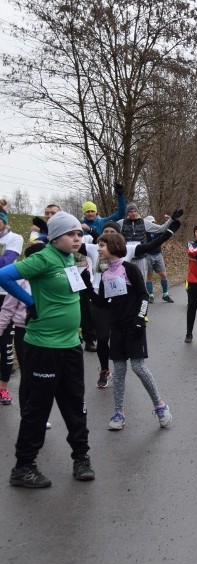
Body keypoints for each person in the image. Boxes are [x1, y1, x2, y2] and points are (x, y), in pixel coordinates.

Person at [0, 212, 94, 488]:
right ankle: (24, 467)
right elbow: (4, 275)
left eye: (79, 234)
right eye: (70, 234)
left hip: (70, 345)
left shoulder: (68, 259)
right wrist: (29, 301)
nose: (76, 238)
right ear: (55, 237)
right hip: (43, 347)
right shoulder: (43, 257)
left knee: (76, 404)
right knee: (37, 409)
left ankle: (81, 457)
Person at [81, 233, 172, 431]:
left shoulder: (129, 269)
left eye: (102, 245)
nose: (98, 249)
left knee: (138, 367)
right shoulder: (105, 274)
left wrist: (140, 319)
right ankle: (119, 413)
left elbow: (144, 295)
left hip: (134, 325)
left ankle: (160, 406)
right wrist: (87, 286)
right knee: (119, 371)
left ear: (113, 246)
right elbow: (103, 303)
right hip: (117, 327)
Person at [81, 219, 180, 387]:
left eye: (113, 233)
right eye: (106, 233)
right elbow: (68, 242)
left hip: (124, 305)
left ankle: (146, 392)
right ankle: (105, 370)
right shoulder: (95, 249)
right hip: (102, 298)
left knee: (133, 359)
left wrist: (169, 232)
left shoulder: (127, 253)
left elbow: (150, 246)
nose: (108, 236)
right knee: (103, 338)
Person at [0, 243, 44, 406]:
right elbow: (7, 310)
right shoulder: (20, 281)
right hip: (23, 332)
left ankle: (39, 411)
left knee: (43, 374)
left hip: (46, 332)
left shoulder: (51, 279)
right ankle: (28, 412)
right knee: (27, 374)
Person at [0, 200, 24, 405]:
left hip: (5, 295)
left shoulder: (14, 238)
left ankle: (3, 388)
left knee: (5, 344)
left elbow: (5, 262)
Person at [143, 215, 174, 303]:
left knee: (163, 274)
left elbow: (166, 229)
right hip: (147, 255)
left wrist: (170, 221)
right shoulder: (143, 232)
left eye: (153, 222)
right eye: (150, 223)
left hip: (158, 255)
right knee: (149, 276)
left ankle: (165, 295)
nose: (152, 224)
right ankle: (150, 295)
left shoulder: (158, 230)